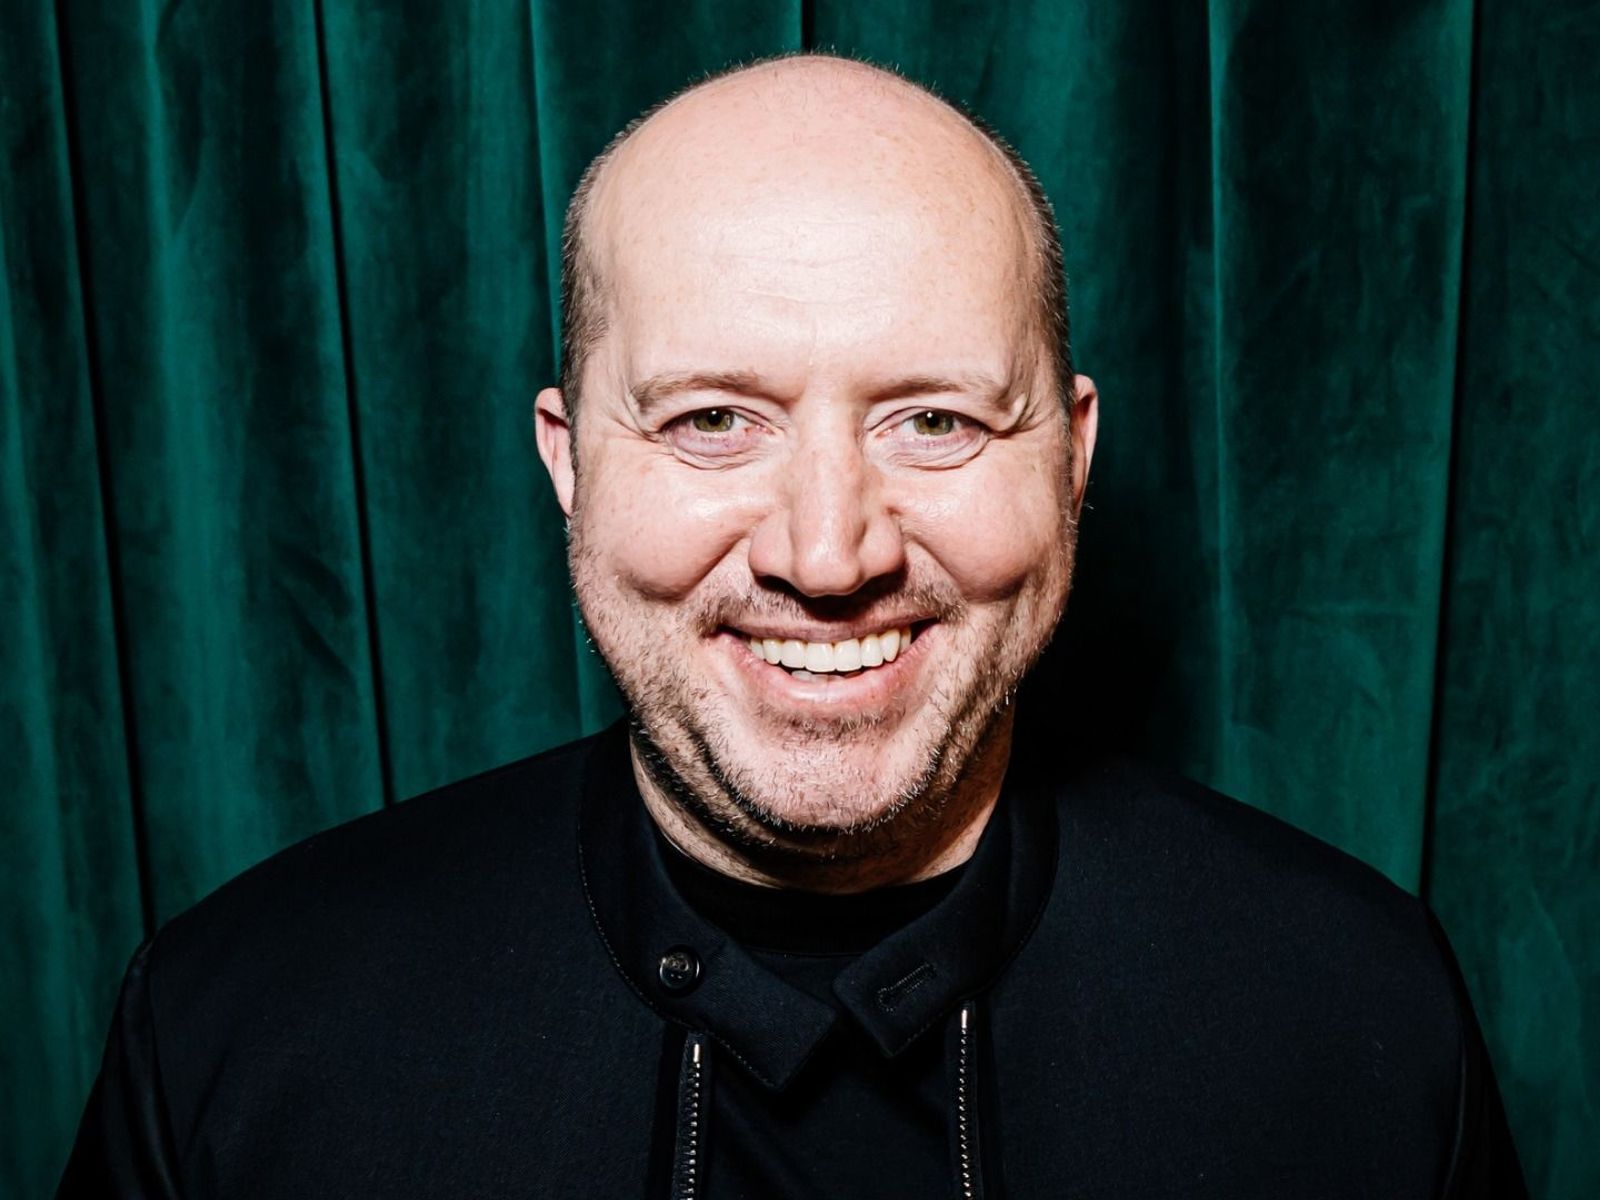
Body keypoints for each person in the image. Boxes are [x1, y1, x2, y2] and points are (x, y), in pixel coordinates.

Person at [60, 54, 1524, 1198]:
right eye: (712, 420)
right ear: (570, 464)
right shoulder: (233, 1032)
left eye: (936, 420)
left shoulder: (1356, 1017)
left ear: (1071, 462)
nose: (829, 556)